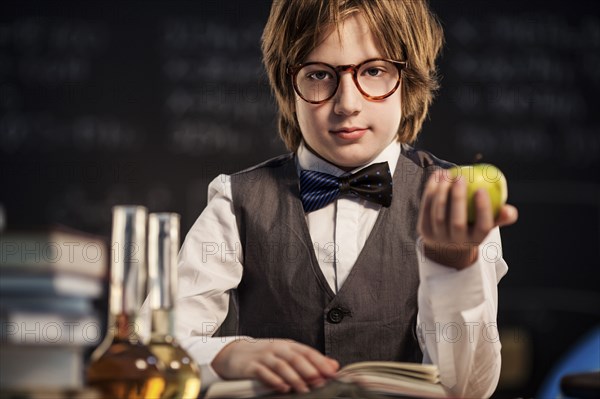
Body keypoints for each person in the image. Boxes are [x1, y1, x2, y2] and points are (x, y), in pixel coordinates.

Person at [171, 0, 519, 397]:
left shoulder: (455, 202)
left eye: (373, 71)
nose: (348, 104)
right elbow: (154, 344)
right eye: (319, 75)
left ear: (409, 80)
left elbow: (469, 389)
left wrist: (454, 266)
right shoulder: (235, 202)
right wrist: (226, 355)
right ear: (288, 85)